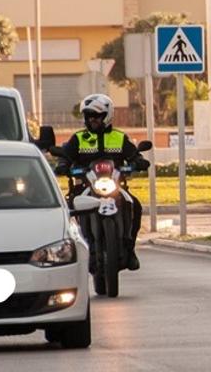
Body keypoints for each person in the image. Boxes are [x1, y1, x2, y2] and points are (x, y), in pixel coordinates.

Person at [55, 93, 147, 270]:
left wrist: (138, 161)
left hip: (114, 186)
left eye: (97, 116)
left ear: (107, 115)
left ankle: (130, 248)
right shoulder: (79, 138)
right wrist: (63, 165)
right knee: (70, 208)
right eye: (89, 116)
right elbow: (65, 155)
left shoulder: (119, 137)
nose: (92, 119)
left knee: (135, 205)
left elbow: (134, 154)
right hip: (86, 187)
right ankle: (78, 250)